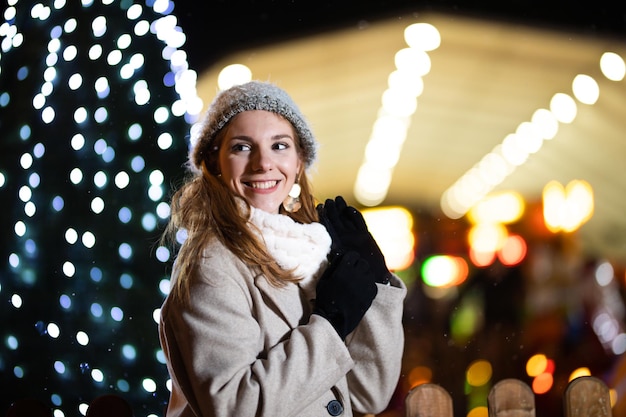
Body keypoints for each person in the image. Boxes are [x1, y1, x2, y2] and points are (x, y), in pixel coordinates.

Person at [158, 80, 407, 417]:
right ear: (214, 162)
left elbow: (367, 395)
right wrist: (330, 323)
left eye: (279, 145)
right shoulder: (212, 264)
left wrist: (376, 284)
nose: (263, 163)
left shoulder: (311, 254)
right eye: (242, 147)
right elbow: (234, 408)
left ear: (299, 161)